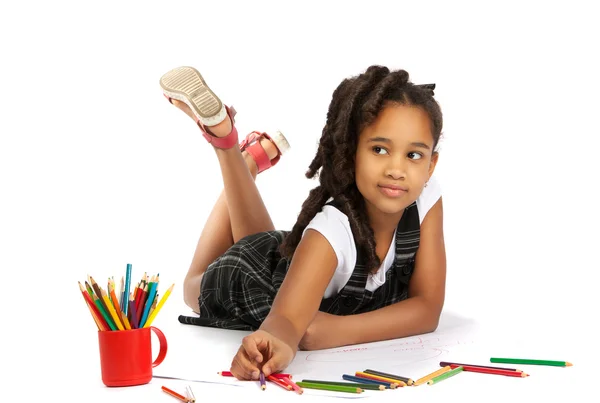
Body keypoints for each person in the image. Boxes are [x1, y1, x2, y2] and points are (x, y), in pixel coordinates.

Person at [159, 65, 446, 380]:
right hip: (250, 278)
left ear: (431, 164)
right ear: (351, 154)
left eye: (414, 156)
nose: (397, 170)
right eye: (379, 149)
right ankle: (228, 149)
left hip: (289, 258)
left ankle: (243, 158)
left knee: (264, 243)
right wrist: (275, 340)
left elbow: (428, 307)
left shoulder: (425, 198)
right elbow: (286, 322)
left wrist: (336, 330)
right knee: (192, 288)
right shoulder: (331, 231)